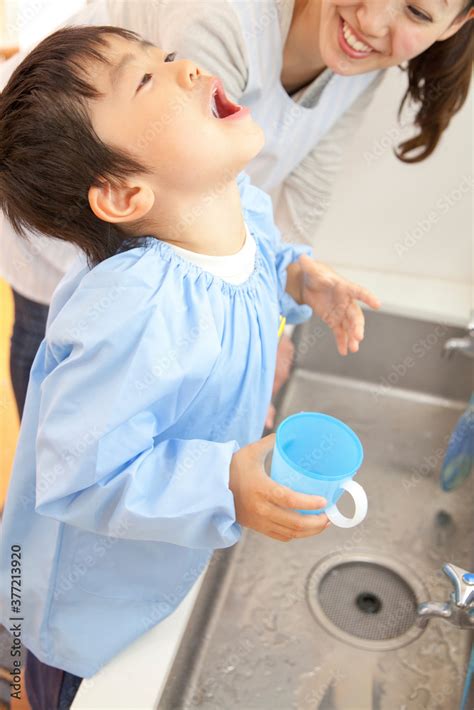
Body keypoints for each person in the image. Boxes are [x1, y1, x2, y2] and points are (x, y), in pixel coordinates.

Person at [0, 25, 380, 708]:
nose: (189, 69)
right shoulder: (132, 313)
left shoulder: (235, 203)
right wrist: (222, 485)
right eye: (146, 80)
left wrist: (302, 279)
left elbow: (261, 253)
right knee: (40, 661)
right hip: (78, 588)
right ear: (122, 194)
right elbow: (78, 472)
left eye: (167, 58)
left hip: (157, 550)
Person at [2, 0, 471, 422]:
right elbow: (95, 466)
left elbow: (287, 196)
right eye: (158, 68)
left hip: (148, 225)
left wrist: (288, 283)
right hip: (56, 198)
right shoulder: (219, 22)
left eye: (417, 11)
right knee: (52, 357)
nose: (372, 20)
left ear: (458, 22)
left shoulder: (231, 202)